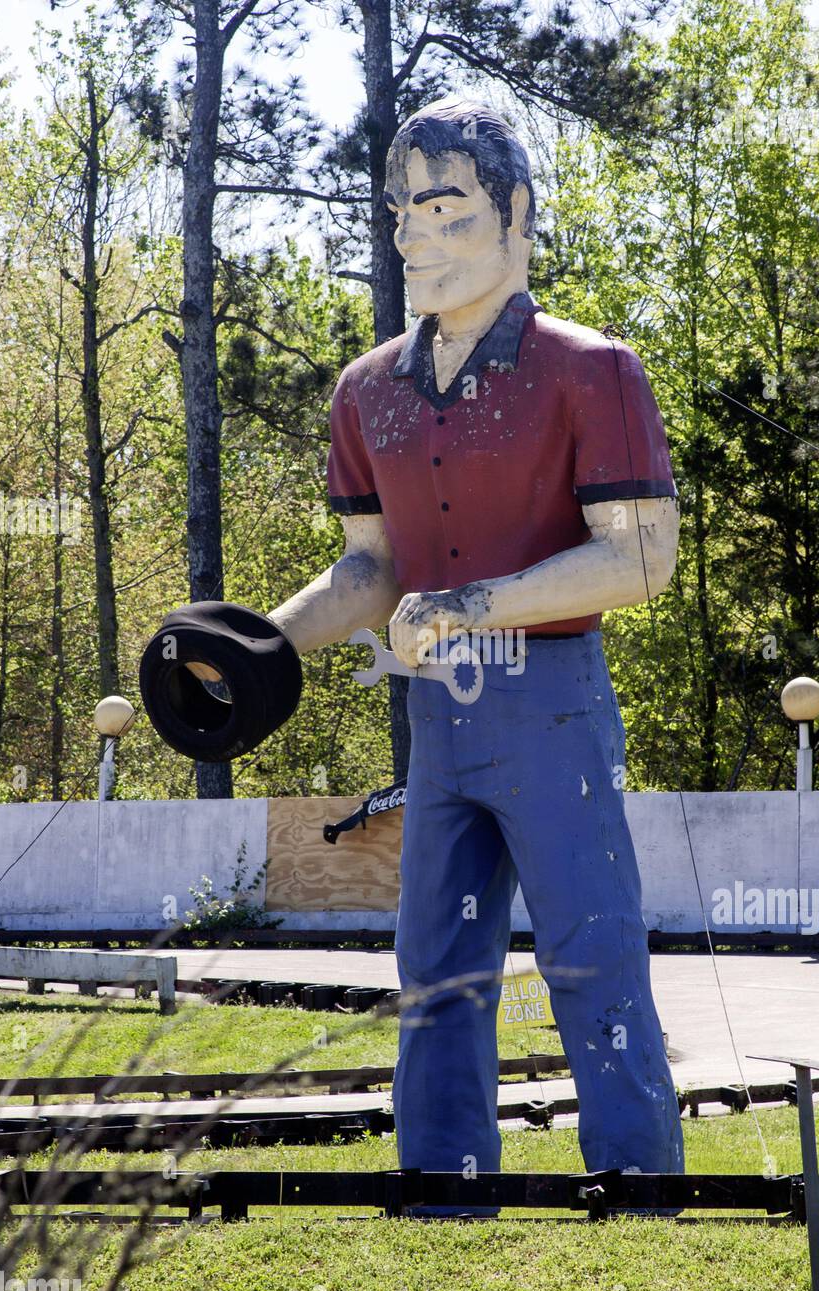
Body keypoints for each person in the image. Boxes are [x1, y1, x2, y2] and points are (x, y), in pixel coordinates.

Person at [268, 98, 684, 1206]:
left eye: (443, 206)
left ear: (517, 216)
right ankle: (441, 1177)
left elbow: (641, 559)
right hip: (438, 720)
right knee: (436, 970)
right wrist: (264, 643)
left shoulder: (593, 371)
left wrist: (477, 603)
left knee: (592, 952)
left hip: (554, 705)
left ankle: (637, 1177)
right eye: (402, 209)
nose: (413, 233)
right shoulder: (366, 392)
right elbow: (372, 571)